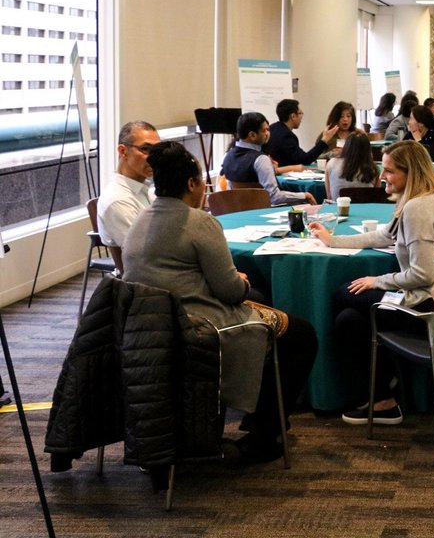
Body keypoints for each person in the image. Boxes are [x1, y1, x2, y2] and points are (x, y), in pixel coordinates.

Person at [123, 141, 317, 464]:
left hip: (149, 330)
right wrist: (241, 280)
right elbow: (230, 293)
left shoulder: (140, 220)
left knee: (267, 311)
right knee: (301, 335)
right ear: (191, 184)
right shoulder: (200, 223)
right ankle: (265, 434)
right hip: (200, 328)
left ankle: (259, 416)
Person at [308, 141, 434, 426]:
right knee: (348, 319)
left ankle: (380, 391)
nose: (382, 175)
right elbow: (384, 236)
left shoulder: (418, 208)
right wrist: (333, 240)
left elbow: (422, 275)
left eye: (390, 171)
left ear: (411, 172)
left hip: (429, 308)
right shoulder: (426, 198)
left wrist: (378, 281)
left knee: (343, 295)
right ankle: (383, 396)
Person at [221, 112, 315, 206]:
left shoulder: (227, 156)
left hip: (239, 209)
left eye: (268, 130)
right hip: (264, 209)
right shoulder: (261, 159)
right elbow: (274, 197)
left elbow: (230, 191)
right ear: (252, 135)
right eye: (264, 130)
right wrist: (304, 196)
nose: (268, 134)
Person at [96, 120, 161, 248]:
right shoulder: (118, 201)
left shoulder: (145, 191)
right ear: (123, 151)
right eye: (145, 149)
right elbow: (144, 252)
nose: (154, 157)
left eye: (157, 150)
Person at [265, 99, 338, 170]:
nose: (302, 117)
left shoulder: (272, 128)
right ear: (293, 116)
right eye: (300, 113)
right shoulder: (286, 136)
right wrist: (325, 139)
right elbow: (305, 159)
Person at [324, 131, 380, 201]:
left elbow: (329, 196)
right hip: (366, 207)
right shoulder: (373, 168)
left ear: (346, 146)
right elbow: (376, 197)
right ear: (368, 149)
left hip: (337, 206)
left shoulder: (331, 164)